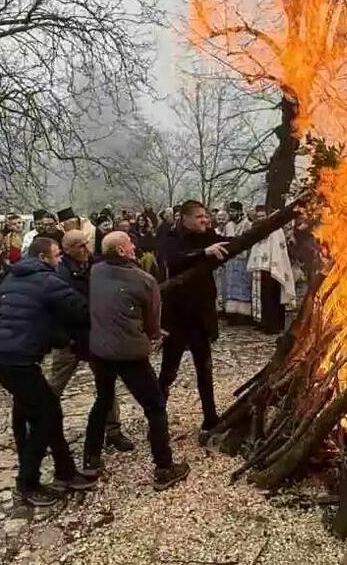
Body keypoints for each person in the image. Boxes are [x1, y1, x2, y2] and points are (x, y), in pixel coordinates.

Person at [0, 237, 95, 506]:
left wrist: (56, 337)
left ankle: (65, 471)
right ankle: (27, 483)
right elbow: (80, 310)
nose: (59, 261)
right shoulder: (48, 281)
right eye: (57, 256)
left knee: (40, 413)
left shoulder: (12, 278)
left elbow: (33, 316)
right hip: (17, 359)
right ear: (45, 257)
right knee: (47, 415)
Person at [84, 231, 190, 490]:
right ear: (121, 251)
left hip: (99, 350)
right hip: (129, 353)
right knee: (155, 406)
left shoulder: (95, 271)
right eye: (129, 244)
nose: (134, 246)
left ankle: (91, 459)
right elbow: (153, 321)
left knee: (103, 399)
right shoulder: (144, 280)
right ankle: (164, 467)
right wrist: (154, 336)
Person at [48, 231, 134, 452]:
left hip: (96, 334)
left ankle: (113, 431)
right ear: (67, 249)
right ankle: (39, 426)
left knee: (106, 385)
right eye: (80, 246)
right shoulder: (61, 273)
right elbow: (67, 308)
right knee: (54, 386)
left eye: (87, 244)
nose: (86, 249)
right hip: (71, 337)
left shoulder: (95, 264)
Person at [158, 200, 231, 435]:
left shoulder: (208, 234)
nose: (205, 220)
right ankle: (157, 419)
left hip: (201, 314)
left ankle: (210, 417)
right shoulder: (170, 237)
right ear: (185, 218)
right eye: (199, 217)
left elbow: (225, 247)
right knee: (168, 372)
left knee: (205, 370)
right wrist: (203, 253)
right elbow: (173, 259)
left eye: (206, 216)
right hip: (177, 316)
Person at [248, 206, 295, 334]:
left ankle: (273, 325)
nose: (261, 218)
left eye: (263, 216)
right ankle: (263, 322)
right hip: (261, 267)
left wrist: (274, 265)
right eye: (259, 216)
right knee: (262, 296)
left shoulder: (276, 229)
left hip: (273, 267)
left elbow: (279, 249)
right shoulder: (258, 229)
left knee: (272, 297)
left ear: (267, 216)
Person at [220, 202, 252, 323]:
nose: (231, 214)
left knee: (243, 285)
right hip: (231, 260)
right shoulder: (229, 225)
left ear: (239, 211)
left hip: (243, 259)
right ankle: (232, 313)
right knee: (230, 286)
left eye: (234, 211)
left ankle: (244, 315)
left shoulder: (247, 224)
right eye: (230, 211)